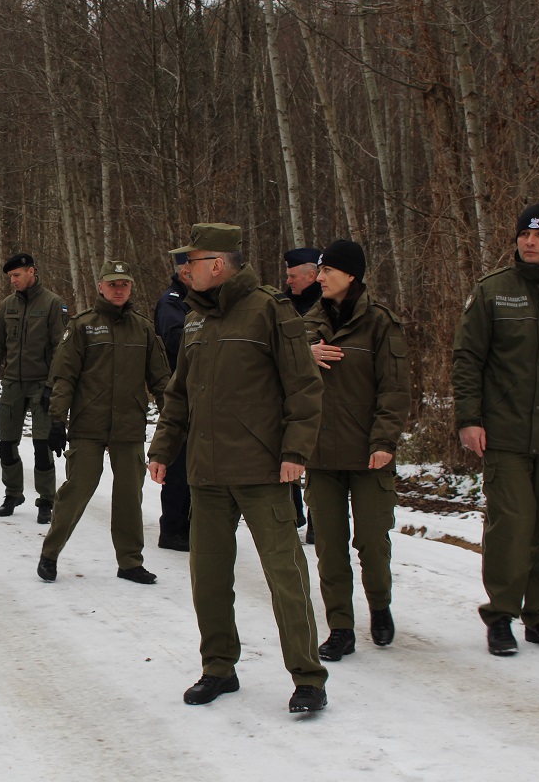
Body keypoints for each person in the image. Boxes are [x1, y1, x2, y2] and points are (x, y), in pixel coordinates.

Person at [147, 223, 328, 713]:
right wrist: (163, 449)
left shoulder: (270, 309)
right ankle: (218, 668)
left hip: (263, 471)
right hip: (206, 474)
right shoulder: (194, 319)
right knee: (208, 577)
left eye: (192, 261)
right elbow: (179, 393)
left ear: (219, 264)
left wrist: (295, 452)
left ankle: (308, 677)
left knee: (284, 576)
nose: (184, 269)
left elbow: (304, 386)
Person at [452, 202, 539, 656]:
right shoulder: (493, 291)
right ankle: (501, 616)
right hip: (505, 433)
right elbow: (468, 358)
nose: (529, 242)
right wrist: (469, 419)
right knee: (510, 526)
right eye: (523, 235)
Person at [302, 240, 410, 661]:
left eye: (327, 270)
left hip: (369, 456)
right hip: (321, 456)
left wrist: (384, 442)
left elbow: (395, 389)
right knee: (330, 547)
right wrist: (302, 355)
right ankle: (340, 627)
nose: (320, 276)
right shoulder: (305, 324)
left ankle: (380, 607)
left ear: (351, 275)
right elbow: (279, 378)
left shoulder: (381, 323)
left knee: (371, 541)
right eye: (320, 270)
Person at [37, 261, 172, 584]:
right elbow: (64, 377)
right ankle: (50, 553)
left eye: (124, 284)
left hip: (129, 424)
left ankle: (129, 562)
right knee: (77, 489)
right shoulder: (83, 326)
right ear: (101, 287)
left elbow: (162, 381)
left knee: (129, 495)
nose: (118, 290)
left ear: (130, 288)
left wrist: (175, 419)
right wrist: (57, 419)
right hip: (88, 424)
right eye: (112, 284)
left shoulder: (143, 329)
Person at [0, 253, 70, 522]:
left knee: (42, 446)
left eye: (17, 275)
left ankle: (46, 499)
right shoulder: (7, 305)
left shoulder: (53, 304)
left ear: (31, 272)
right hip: (12, 384)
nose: (13, 281)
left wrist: (50, 386)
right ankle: (13, 493)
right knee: (6, 444)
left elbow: (60, 349)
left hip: (40, 384)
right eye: (10, 277)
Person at [154, 248, 194, 551]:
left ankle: (188, 524)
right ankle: (172, 527)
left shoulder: (197, 299)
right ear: (183, 271)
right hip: (180, 389)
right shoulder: (172, 302)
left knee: (194, 460)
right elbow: (174, 339)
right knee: (177, 461)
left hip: (199, 390)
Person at [285, 247, 322, 543]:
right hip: (287, 393)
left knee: (316, 459)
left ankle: (316, 522)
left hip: (319, 394)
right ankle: (293, 513)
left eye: (293, 275)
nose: (288, 281)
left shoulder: (325, 306)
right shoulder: (284, 306)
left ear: (312, 275)